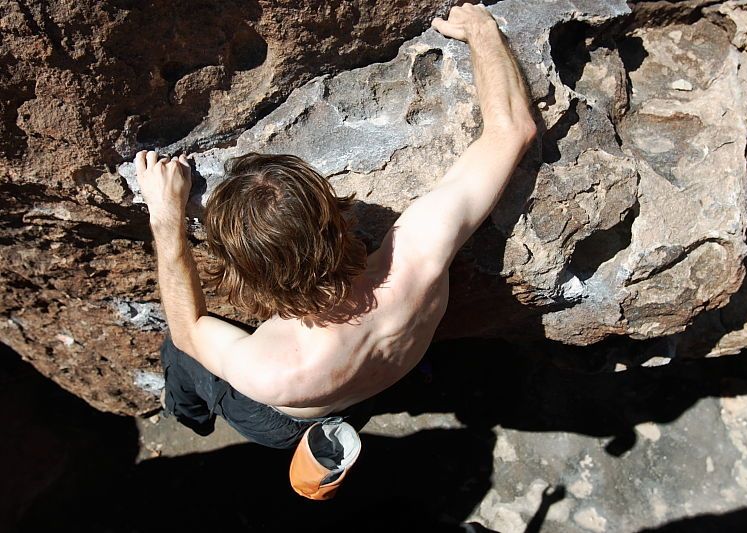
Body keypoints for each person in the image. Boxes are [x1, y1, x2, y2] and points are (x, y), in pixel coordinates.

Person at [135, 3, 536, 450]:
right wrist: (481, 29)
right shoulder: (420, 257)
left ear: (249, 273)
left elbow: (189, 330)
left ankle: (189, 417)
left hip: (286, 417)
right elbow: (511, 130)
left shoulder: (271, 371)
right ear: (336, 217)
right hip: (372, 383)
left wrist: (165, 217)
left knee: (177, 352)